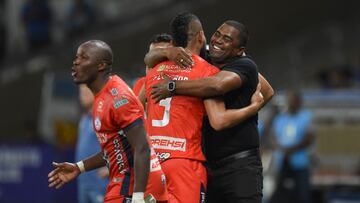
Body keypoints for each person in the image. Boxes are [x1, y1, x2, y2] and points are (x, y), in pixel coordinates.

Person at [146, 19, 273, 202]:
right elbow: (149, 58)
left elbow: (218, 86)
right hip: (208, 165)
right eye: (217, 34)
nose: (218, 40)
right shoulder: (205, 58)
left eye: (227, 39)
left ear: (239, 50)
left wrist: (173, 86)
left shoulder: (244, 65)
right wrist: (168, 51)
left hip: (240, 165)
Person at [48, 40, 168, 203]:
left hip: (137, 186)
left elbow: (142, 147)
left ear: (101, 66)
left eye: (83, 58)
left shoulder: (119, 97)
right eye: (76, 57)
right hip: (123, 183)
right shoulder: (100, 98)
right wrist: (79, 167)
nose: (76, 62)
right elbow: (115, 150)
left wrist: (138, 197)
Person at [269, 91, 314, 203]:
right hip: (282, 162)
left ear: (299, 102)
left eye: (294, 101)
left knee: (302, 195)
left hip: (300, 163)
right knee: (280, 196)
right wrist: (280, 148)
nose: (292, 103)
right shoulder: (280, 118)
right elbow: (273, 137)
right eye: (290, 101)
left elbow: (309, 138)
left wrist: (290, 150)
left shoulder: (306, 117)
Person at [76, 84, 108, 203]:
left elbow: (120, 145)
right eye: (80, 93)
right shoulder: (84, 119)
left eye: (84, 93)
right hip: (84, 183)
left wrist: (110, 169)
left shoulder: (103, 117)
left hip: (99, 184)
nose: (81, 97)